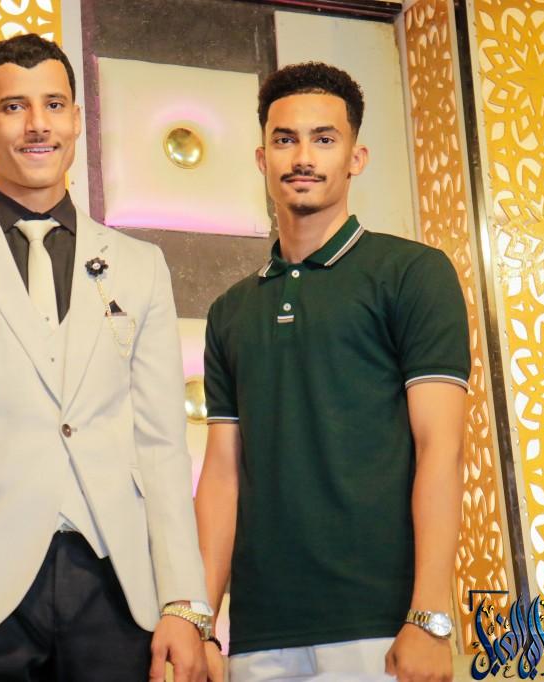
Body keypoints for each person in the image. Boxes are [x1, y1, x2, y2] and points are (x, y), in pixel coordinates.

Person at [0, 33, 211, 682]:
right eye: (14, 107)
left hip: (116, 585)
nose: (38, 124)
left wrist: (184, 601)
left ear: (77, 120)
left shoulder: (141, 265)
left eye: (54, 105)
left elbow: (162, 444)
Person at [195, 61, 469, 682]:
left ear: (356, 158)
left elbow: (442, 448)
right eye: (284, 140)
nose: (303, 157)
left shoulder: (413, 273)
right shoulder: (230, 311)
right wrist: (201, 622)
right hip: (258, 636)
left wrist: (430, 617)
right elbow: (221, 476)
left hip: (382, 628)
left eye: (324, 139)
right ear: (262, 158)